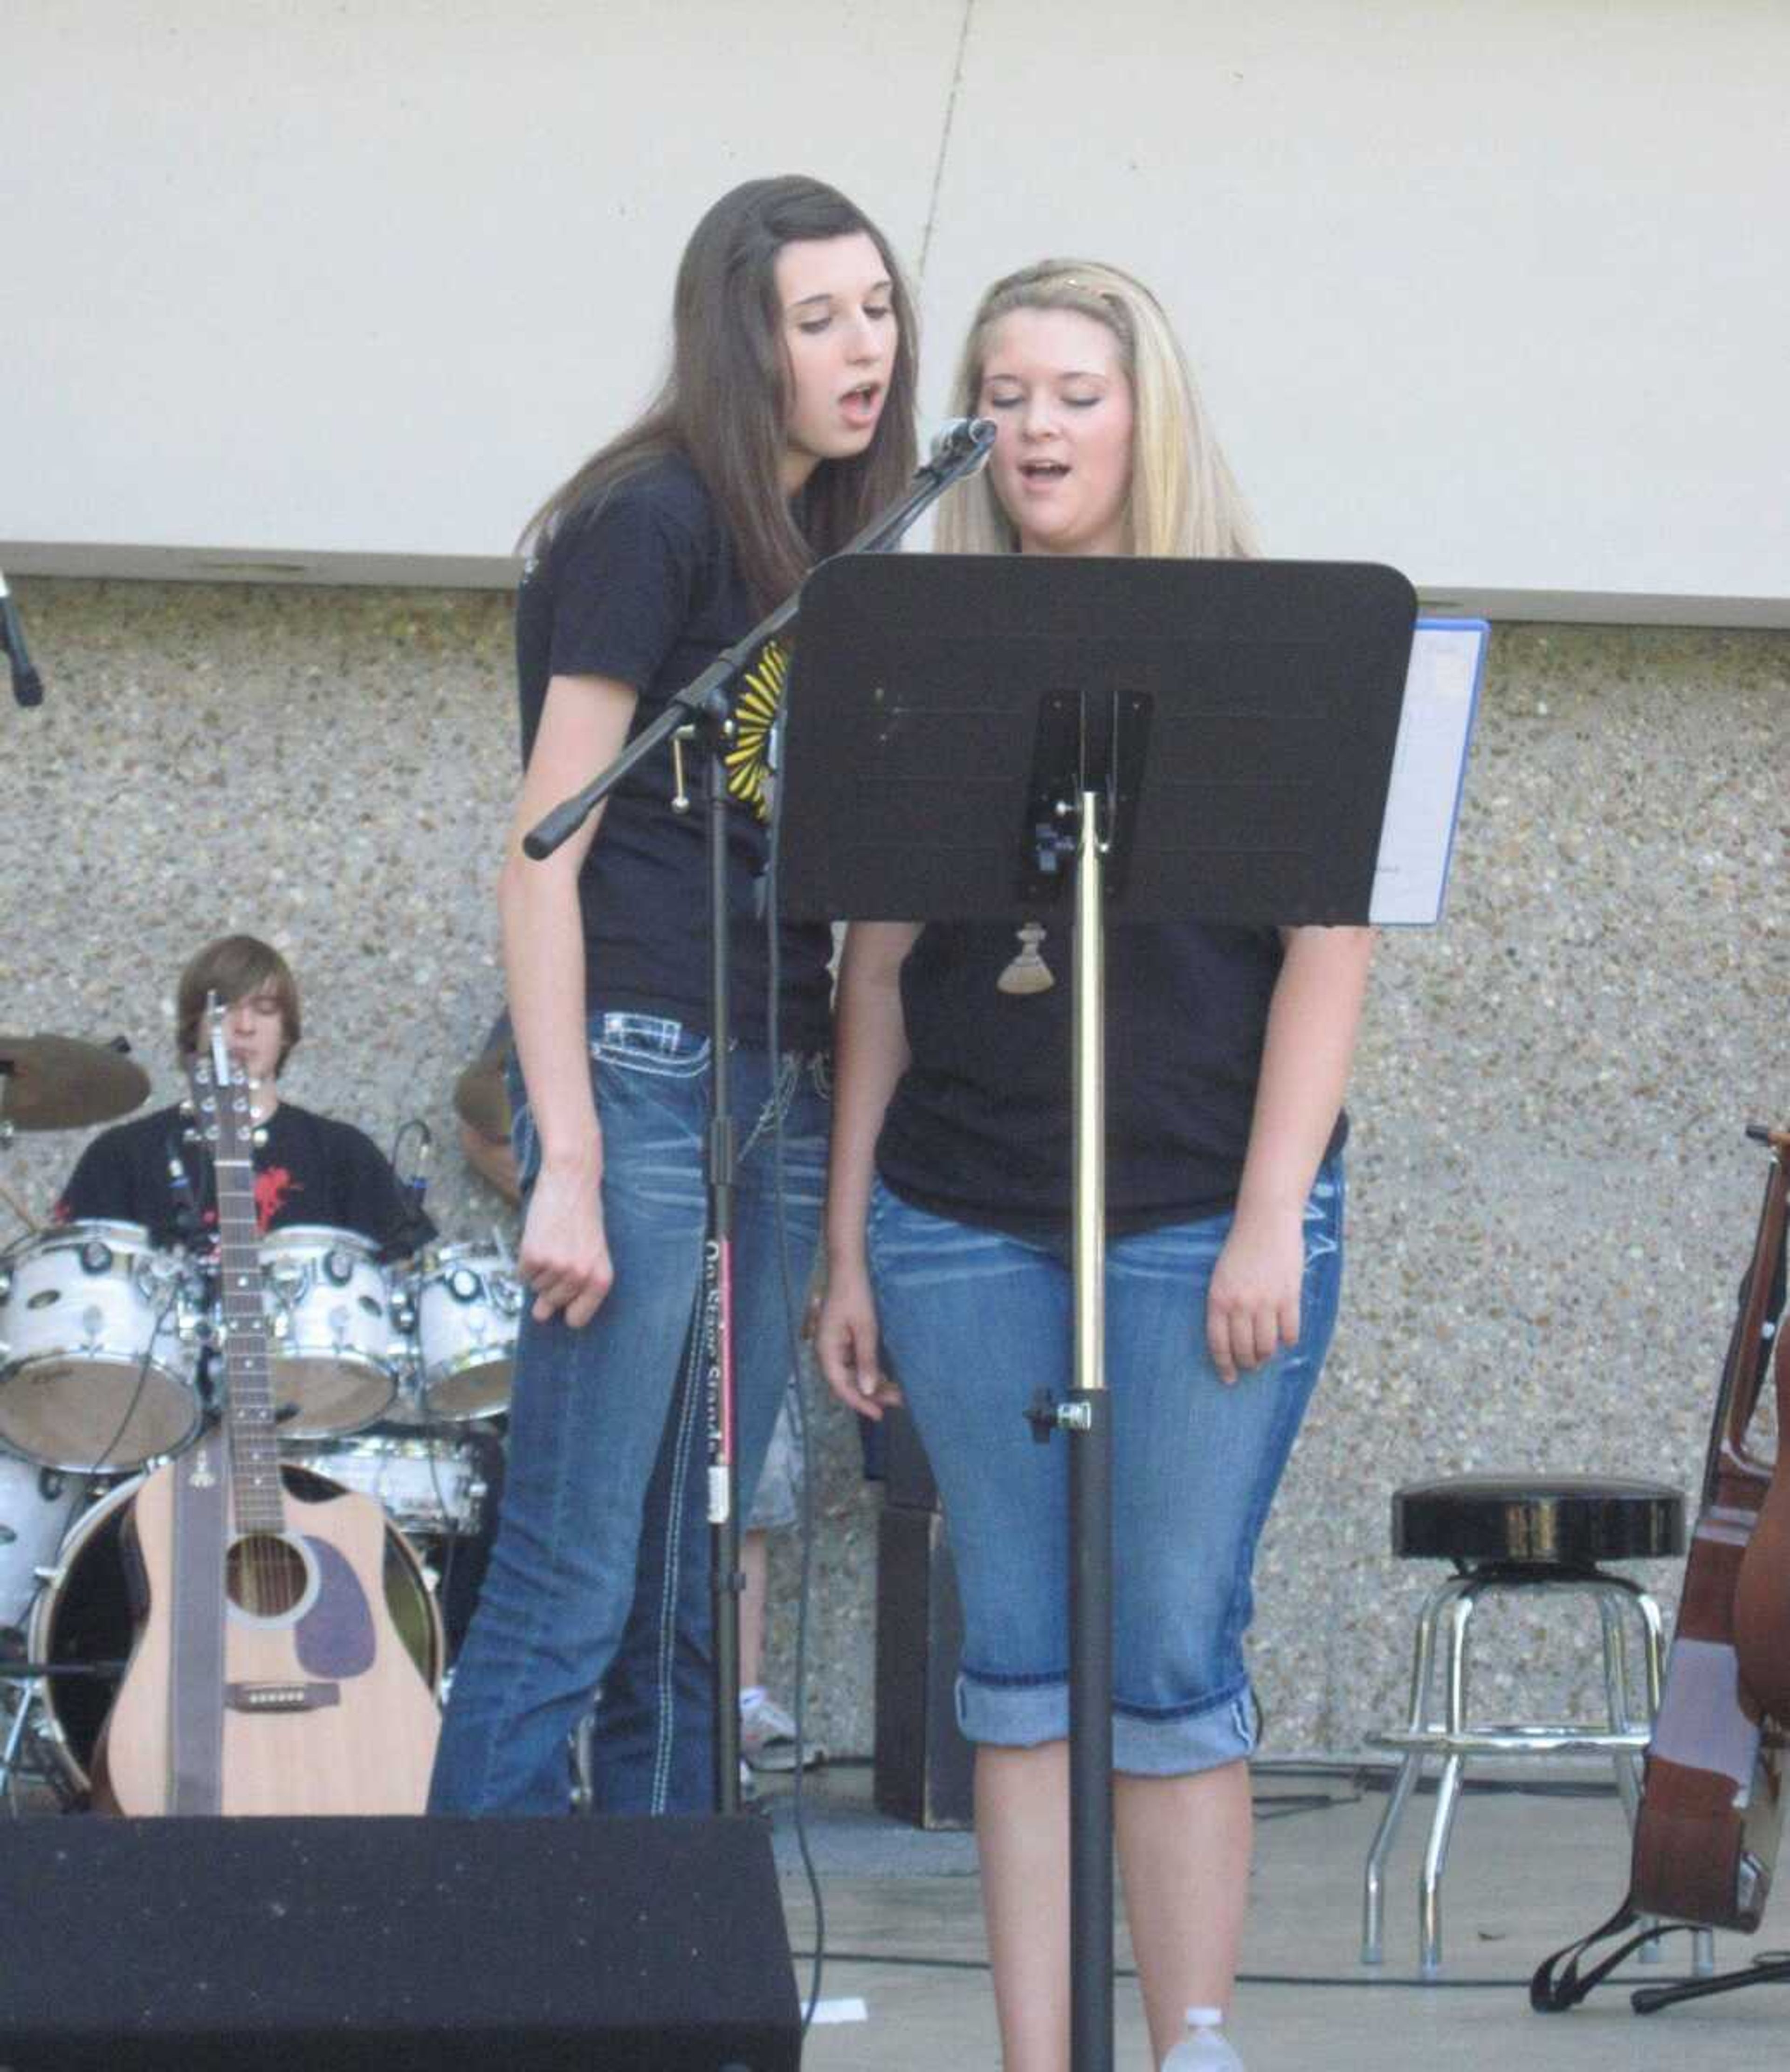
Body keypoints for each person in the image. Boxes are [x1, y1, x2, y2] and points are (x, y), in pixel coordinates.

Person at [816, 260, 1374, 2072]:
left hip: (1209, 1206)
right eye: (1005, 394)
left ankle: (1190, 2041)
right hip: (962, 1216)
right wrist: (846, 1249)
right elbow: (880, 973)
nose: (1036, 426)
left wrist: (1277, 1212)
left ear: (1147, 414)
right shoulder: (922, 645)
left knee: (1164, 1647)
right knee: (1017, 1660)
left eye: (1072, 390)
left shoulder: (1259, 642)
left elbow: (1329, 948)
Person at [429, 175, 917, 1818]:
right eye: (820, 317)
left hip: (770, 1079)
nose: (867, 345)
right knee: (569, 1581)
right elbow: (541, 844)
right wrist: (563, 1150)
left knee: (690, 1593)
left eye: (878, 306)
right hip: (641, 1065)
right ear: (744, 339)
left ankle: (659, 1978)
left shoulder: (841, 545)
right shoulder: (656, 521)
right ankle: (468, 1986)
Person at [55, 933, 431, 1261]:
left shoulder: (344, 1155)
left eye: (265, 1011)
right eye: (224, 1010)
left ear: (286, 1033)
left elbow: (410, 1277)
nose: (245, 1027)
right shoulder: (121, 1157)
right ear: (195, 1025)